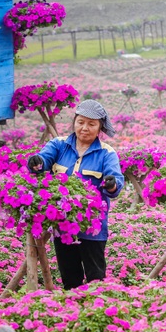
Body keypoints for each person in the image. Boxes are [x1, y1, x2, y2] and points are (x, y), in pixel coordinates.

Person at [27, 100, 124, 290]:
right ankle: (73, 315)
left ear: (100, 128)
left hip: (92, 229)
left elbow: (116, 183)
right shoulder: (58, 145)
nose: (85, 128)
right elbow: (42, 161)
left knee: (96, 279)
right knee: (70, 280)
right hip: (63, 226)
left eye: (91, 124)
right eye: (81, 122)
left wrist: (111, 184)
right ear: (74, 122)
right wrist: (36, 162)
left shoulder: (107, 153)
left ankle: (95, 313)